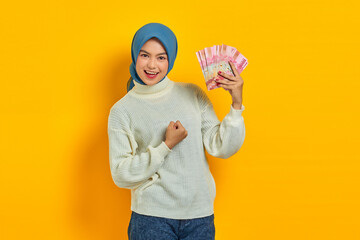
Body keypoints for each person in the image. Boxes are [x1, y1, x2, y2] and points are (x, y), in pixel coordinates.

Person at [107, 22, 246, 240]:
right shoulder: (122, 110)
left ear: (170, 59)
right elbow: (121, 174)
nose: (152, 65)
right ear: (135, 56)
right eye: (145, 55)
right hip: (151, 219)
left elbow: (221, 146)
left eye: (161, 57)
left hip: (200, 217)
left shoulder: (192, 93)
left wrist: (236, 104)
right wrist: (166, 146)